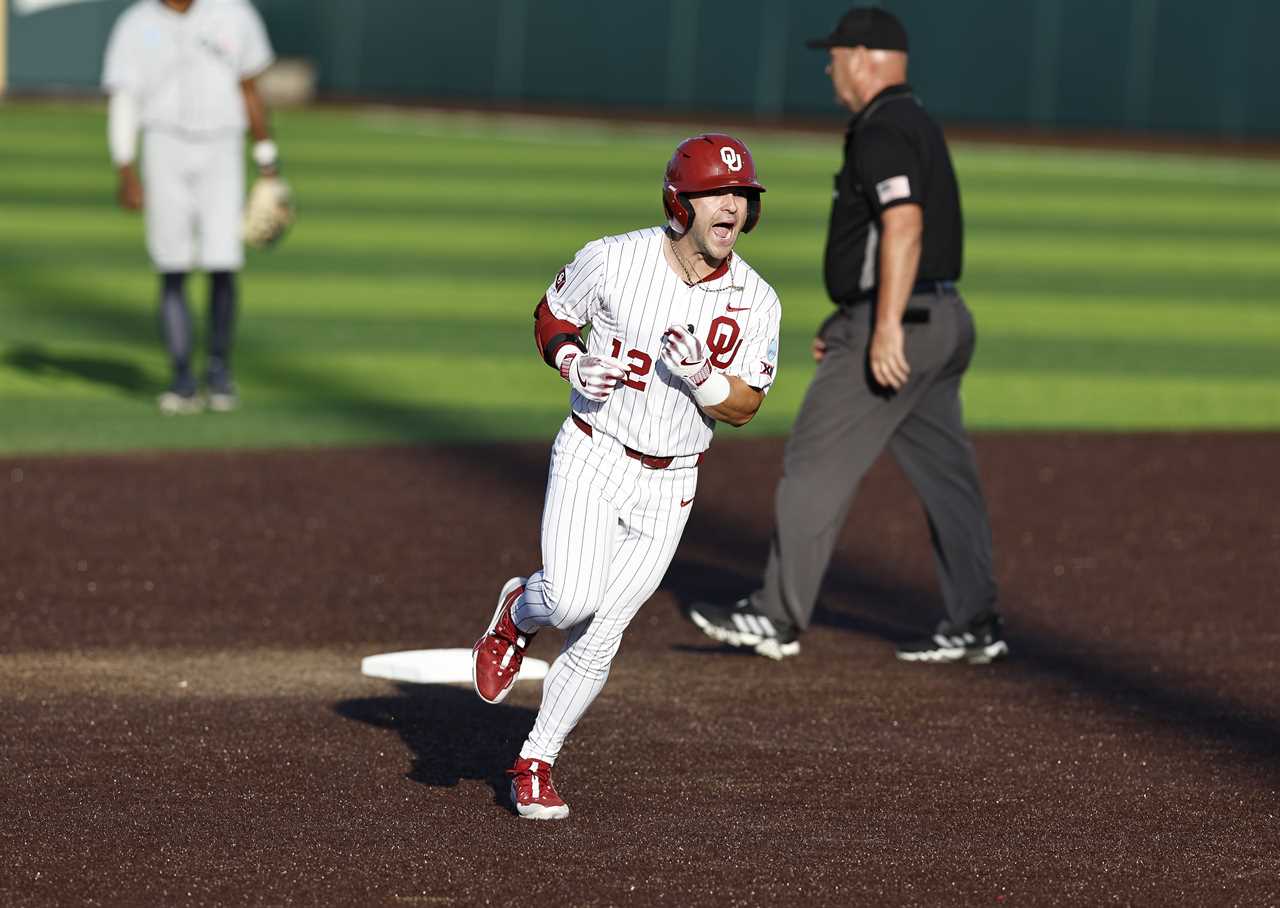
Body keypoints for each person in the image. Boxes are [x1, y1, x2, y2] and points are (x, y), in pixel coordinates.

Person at [471, 134, 782, 819]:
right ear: (681, 203)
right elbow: (551, 314)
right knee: (570, 599)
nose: (732, 207)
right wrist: (571, 363)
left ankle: (534, 761)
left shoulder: (758, 301)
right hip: (594, 451)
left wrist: (705, 380)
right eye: (716, 195)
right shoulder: (613, 259)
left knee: (605, 628)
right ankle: (521, 609)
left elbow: (748, 406)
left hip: (671, 484)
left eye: (741, 196)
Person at [685, 8, 1006, 665]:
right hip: (944, 319)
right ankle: (974, 621)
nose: (830, 65)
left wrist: (881, 323)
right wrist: (857, 312)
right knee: (947, 475)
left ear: (864, 55)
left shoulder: (882, 126)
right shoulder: (915, 120)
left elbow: (905, 225)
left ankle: (775, 616)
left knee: (813, 461)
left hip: (900, 325)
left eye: (835, 54)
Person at [102, 0, 280, 414]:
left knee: (224, 260)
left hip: (223, 144)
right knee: (172, 263)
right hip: (164, 142)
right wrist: (125, 166)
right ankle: (182, 377)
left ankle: (219, 372)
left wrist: (267, 159)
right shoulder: (136, 23)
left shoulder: (235, 14)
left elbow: (250, 87)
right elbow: (124, 99)